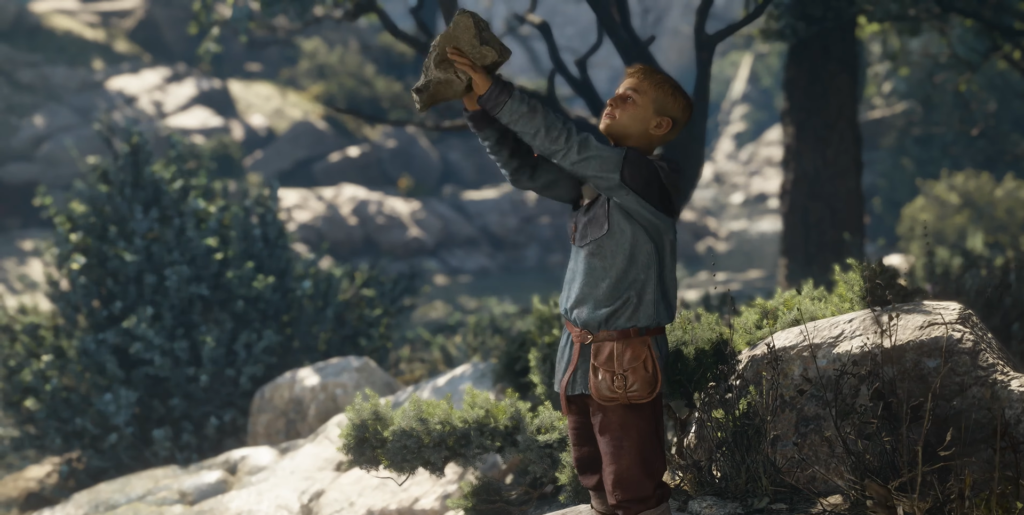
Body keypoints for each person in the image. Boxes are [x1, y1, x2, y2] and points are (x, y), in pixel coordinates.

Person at [448, 46, 693, 515]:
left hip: (625, 358)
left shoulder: (642, 175)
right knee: (595, 480)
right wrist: (479, 113)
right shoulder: (597, 183)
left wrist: (495, 92)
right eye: (616, 95)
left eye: (629, 99)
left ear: (659, 127)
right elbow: (526, 170)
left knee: (633, 487)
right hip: (580, 356)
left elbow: (563, 142)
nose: (612, 102)